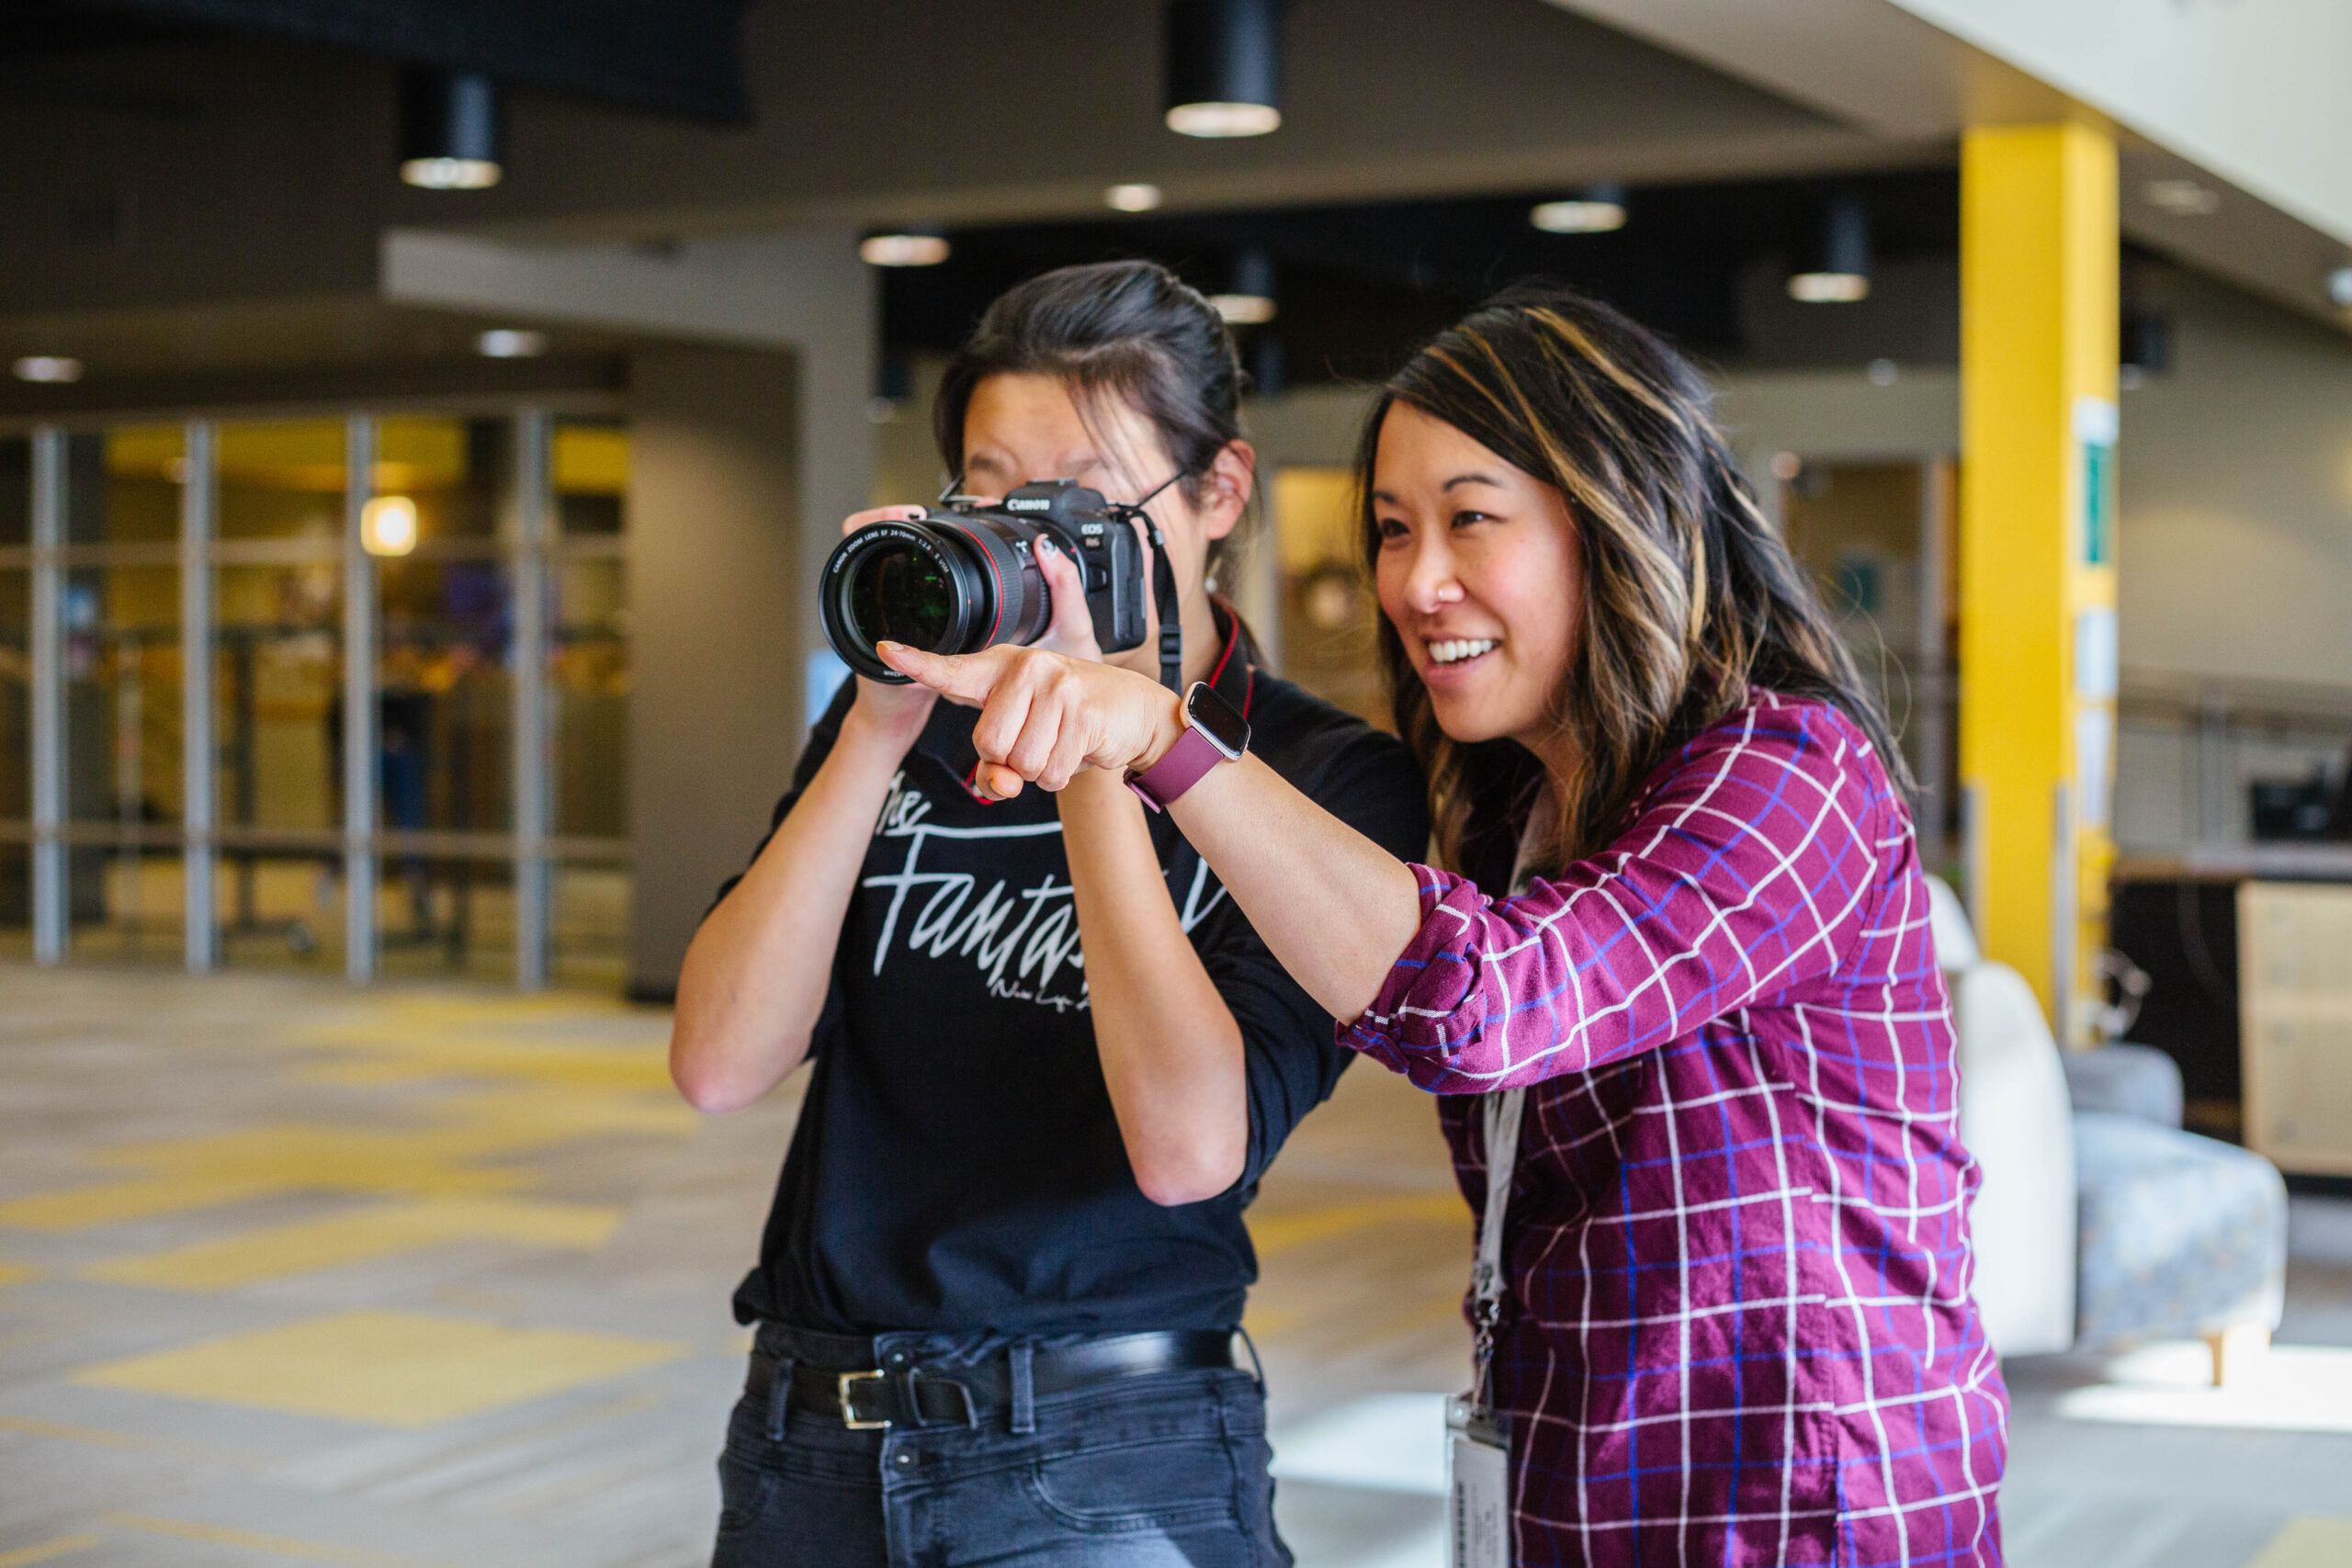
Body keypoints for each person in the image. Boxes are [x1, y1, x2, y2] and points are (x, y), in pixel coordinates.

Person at [884, 283, 2009, 1565]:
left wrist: (1160, 735)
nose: (1418, 583)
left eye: (1472, 520)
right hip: (1582, 1476)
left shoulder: (1789, 772)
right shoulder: (1510, 812)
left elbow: (1495, 1005)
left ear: (1619, 515)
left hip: (1802, 1496)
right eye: (1391, 530)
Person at [670, 259, 1430, 1567]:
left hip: (1107, 1445)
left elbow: (1190, 1148)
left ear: (1218, 492)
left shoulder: (1319, 778)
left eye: (1074, 496)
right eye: (991, 490)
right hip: (812, 1430)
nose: (1030, 532)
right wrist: (871, 726)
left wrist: (1099, 750)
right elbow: (719, 1064)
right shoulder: (903, 740)